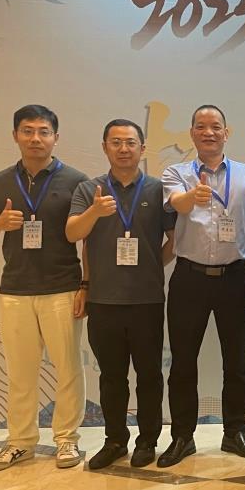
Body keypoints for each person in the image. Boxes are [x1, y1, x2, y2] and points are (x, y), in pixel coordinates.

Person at [0, 104, 88, 471]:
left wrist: (85, 285)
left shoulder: (77, 181)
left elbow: (88, 238)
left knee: (68, 368)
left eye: (43, 131)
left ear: (56, 137)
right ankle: (20, 442)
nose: (35, 138)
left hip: (62, 287)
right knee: (20, 372)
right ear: (15, 136)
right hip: (15, 290)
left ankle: (67, 440)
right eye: (28, 131)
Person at [159, 105, 245, 467]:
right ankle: (182, 436)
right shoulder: (176, 172)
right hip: (189, 277)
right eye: (201, 127)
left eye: (215, 127)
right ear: (191, 133)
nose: (209, 132)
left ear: (226, 132)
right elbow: (177, 203)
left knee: (236, 361)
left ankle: (235, 432)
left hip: (235, 277)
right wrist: (193, 197)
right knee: (183, 362)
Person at [67, 119, 175, 469]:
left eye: (130, 142)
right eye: (116, 142)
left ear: (142, 148)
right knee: (111, 377)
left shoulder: (158, 190)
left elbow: (175, 241)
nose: (124, 149)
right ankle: (115, 440)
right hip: (104, 300)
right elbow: (74, 234)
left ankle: (148, 440)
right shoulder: (89, 189)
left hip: (146, 300)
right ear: (105, 147)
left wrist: (151, 265)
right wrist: (95, 211)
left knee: (149, 375)